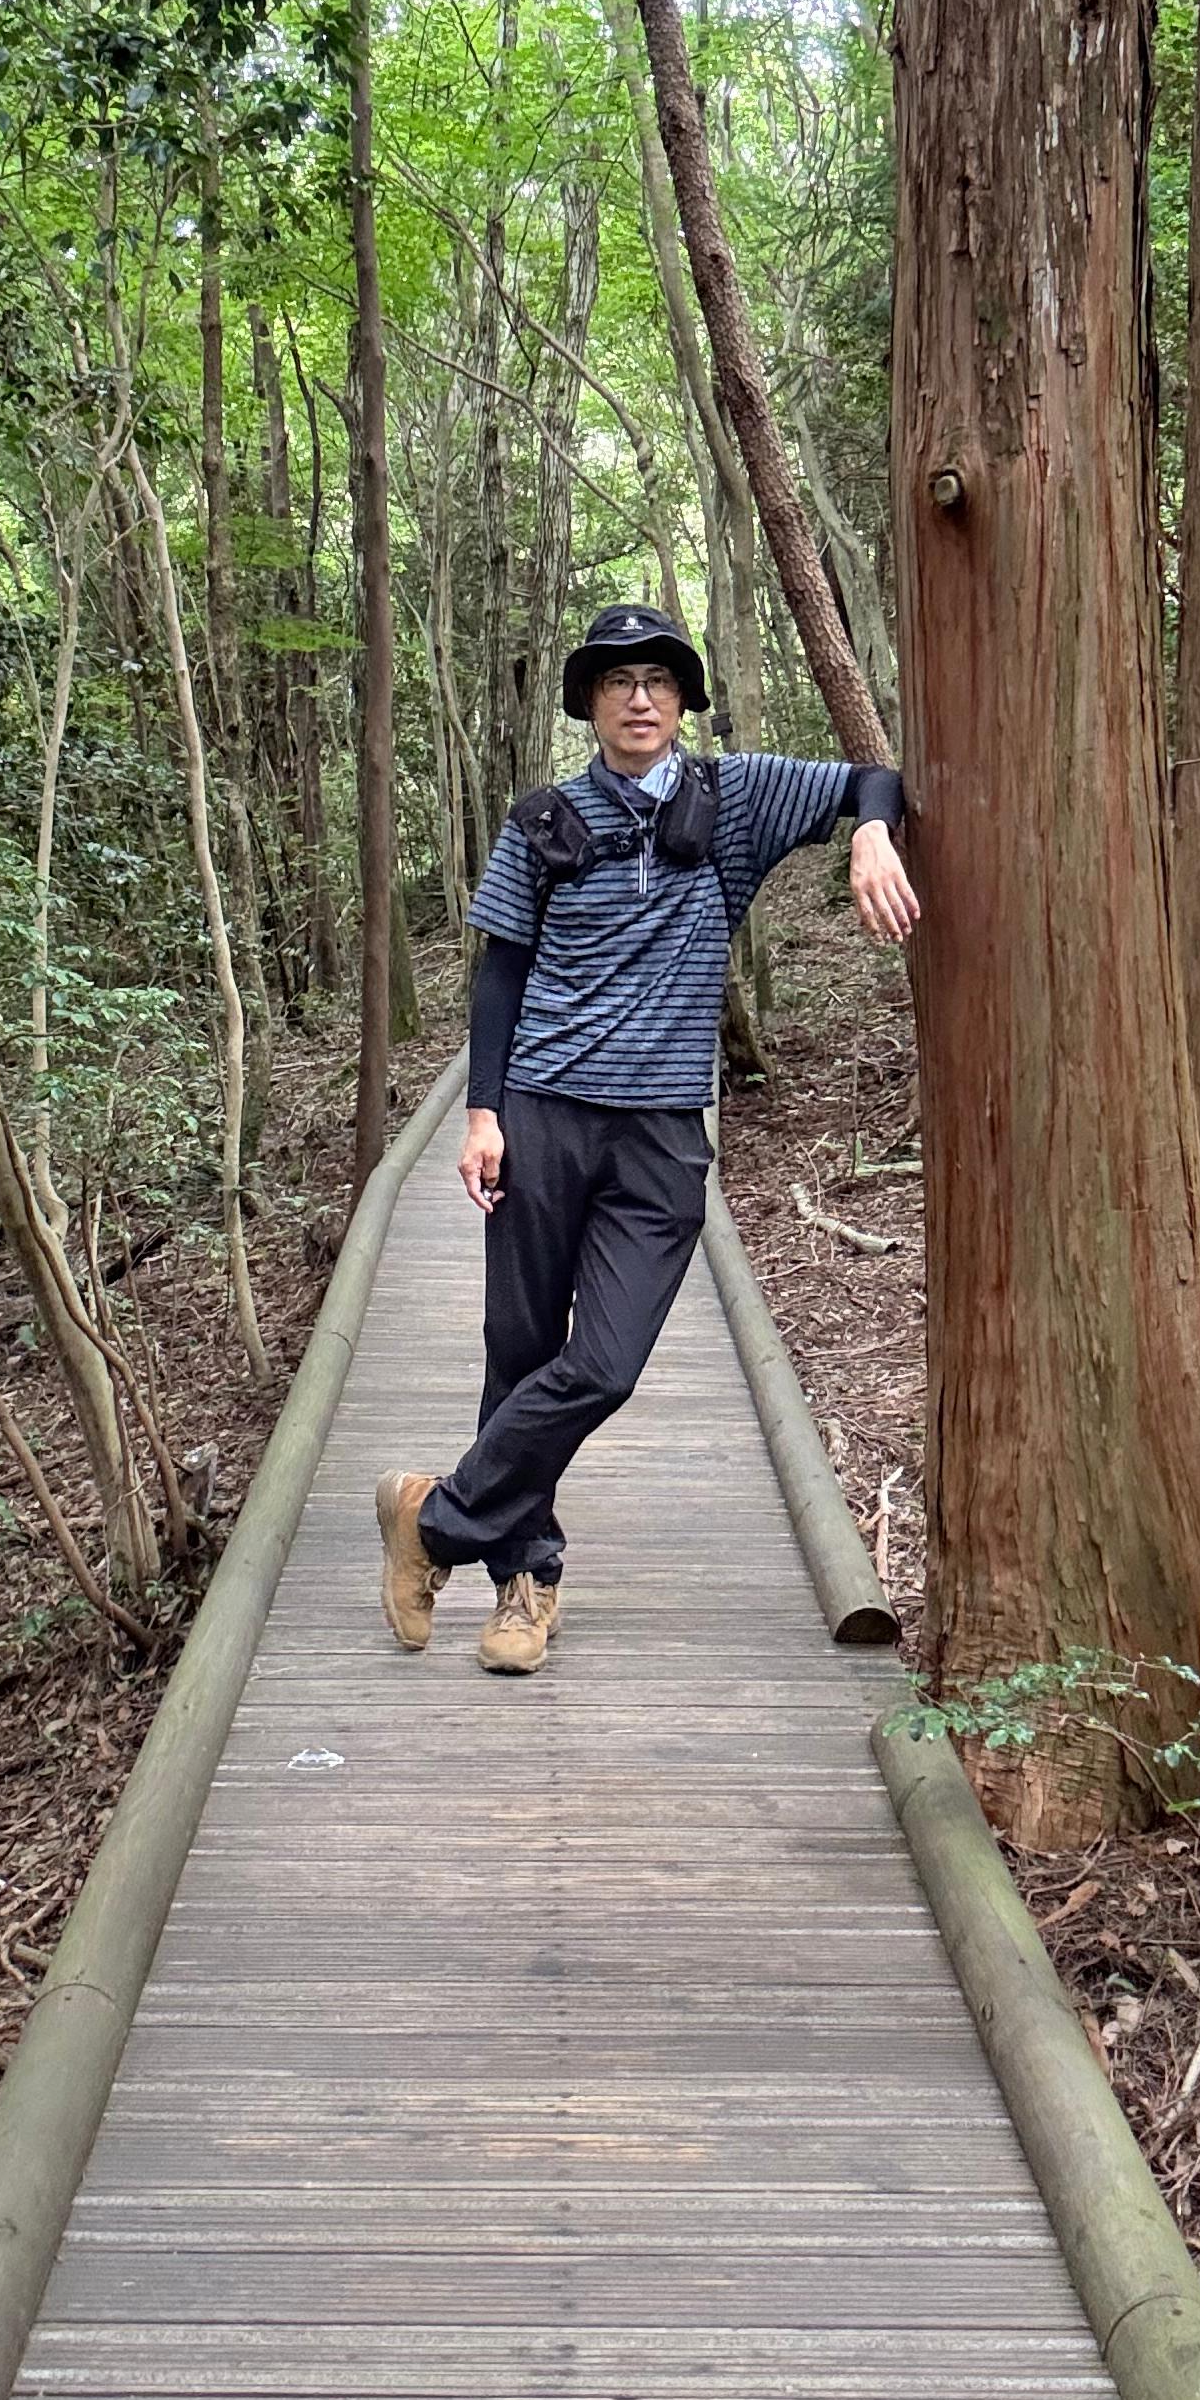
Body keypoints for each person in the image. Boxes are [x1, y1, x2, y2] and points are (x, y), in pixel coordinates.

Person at [377, 600, 918, 1674]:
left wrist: (869, 832)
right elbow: (501, 975)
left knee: (606, 1364)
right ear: (590, 701)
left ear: (682, 699)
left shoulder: (736, 798)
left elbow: (874, 778)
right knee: (521, 1352)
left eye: (659, 680)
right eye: (618, 681)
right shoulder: (542, 820)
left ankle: (430, 1519)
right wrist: (482, 1114)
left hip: (662, 1133)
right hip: (542, 1114)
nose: (639, 698)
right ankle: (525, 1582)